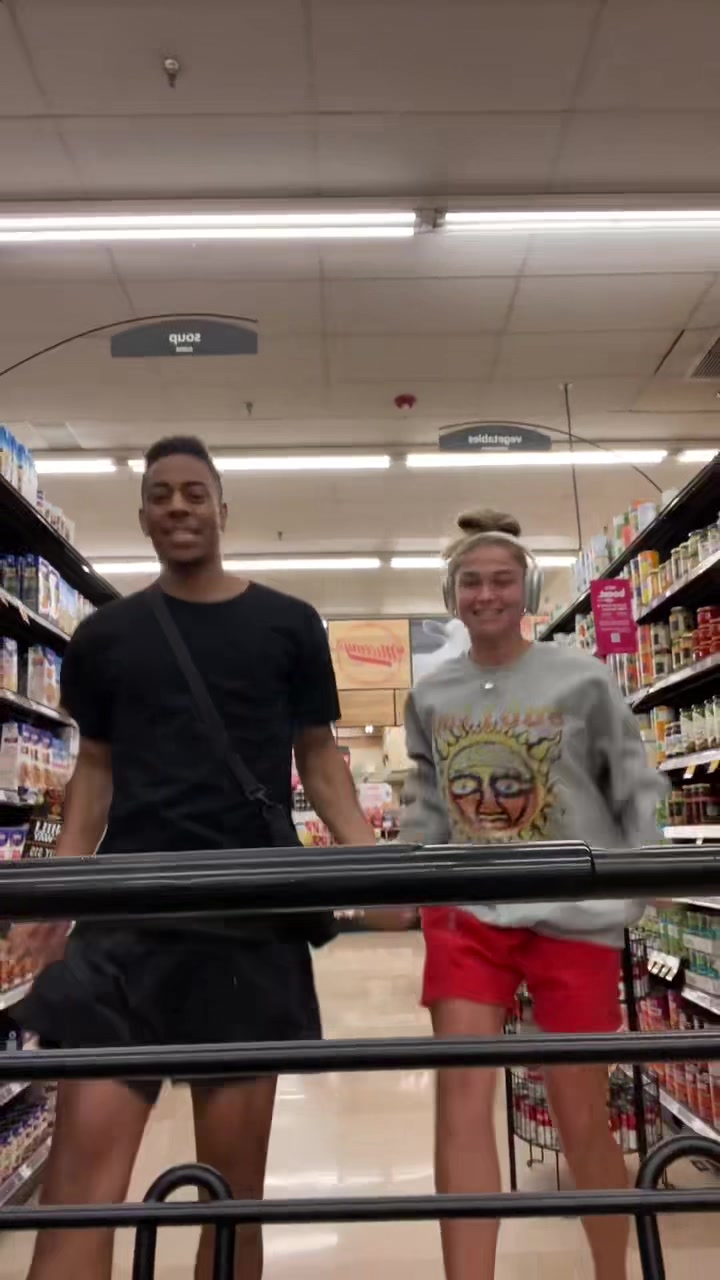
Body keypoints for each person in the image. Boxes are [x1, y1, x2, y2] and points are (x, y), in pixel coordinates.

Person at [14, 435, 378, 1280]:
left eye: (193, 492)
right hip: (126, 924)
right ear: (142, 516)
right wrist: (56, 897)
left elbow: (319, 757)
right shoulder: (105, 636)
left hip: (248, 927)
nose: (177, 506)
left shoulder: (290, 625)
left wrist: (373, 866)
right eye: (160, 495)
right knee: (78, 1193)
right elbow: (93, 774)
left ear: (222, 510)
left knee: (231, 1199)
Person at [401, 509, 665, 1280]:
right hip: (467, 911)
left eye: (501, 581)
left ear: (529, 592)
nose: (486, 594)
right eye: (471, 582)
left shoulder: (581, 678)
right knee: (460, 1105)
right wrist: (401, 876)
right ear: (451, 595)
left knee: (581, 1112)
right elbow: (426, 803)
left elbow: (635, 783)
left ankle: (614, 1272)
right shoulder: (431, 695)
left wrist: (639, 883)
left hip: (571, 913)